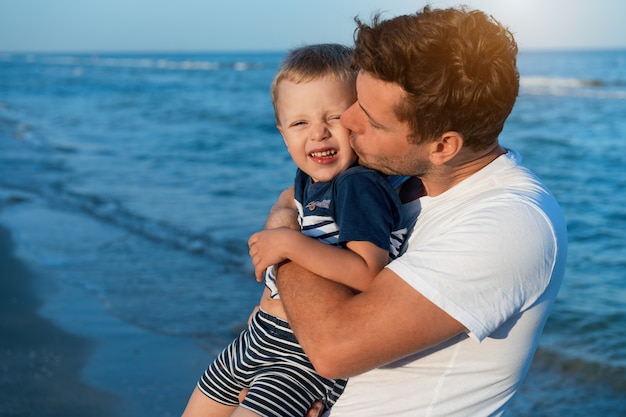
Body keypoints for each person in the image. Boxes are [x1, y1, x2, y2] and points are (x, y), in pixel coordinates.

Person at [263, 6, 568, 417]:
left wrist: (287, 232)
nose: (348, 120)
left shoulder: (509, 226)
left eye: (369, 117)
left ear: (443, 146)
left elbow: (333, 348)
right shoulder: (393, 179)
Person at [181, 44, 410, 417]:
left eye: (333, 117)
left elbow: (368, 273)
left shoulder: (358, 185)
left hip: (300, 359)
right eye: (300, 123)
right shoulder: (308, 179)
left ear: (357, 119)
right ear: (282, 133)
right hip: (258, 337)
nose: (317, 134)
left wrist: (288, 242)